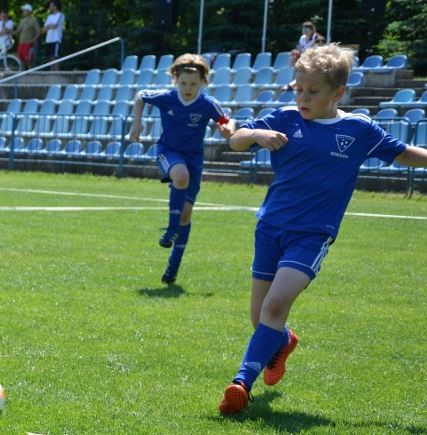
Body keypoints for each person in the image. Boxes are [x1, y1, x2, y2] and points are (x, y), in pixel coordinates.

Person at [219, 44, 427, 415]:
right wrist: (255, 136)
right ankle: (283, 341)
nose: (303, 97)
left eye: (312, 91)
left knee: (276, 304)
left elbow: (404, 154)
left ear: (338, 93)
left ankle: (240, 384)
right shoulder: (284, 118)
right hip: (270, 229)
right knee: (261, 319)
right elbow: (234, 140)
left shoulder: (359, 129)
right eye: (299, 89)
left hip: (312, 234)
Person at [129, 53, 235, 285]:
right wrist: (137, 122)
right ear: (175, 80)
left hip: (194, 160)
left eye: (193, 84)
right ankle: (170, 230)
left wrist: (228, 130)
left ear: (203, 83)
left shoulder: (206, 103)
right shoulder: (167, 97)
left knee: (186, 214)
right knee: (180, 175)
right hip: (168, 152)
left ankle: (172, 267)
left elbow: (227, 121)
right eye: (184, 83)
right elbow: (140, 96)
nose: (188, 88)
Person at [283, 21, 325, 90]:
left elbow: (318, 53)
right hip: (306, 58)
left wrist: (302, 54)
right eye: (303, 29)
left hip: (316, 60)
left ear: (312, 30)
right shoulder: (302, 38)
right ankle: (296, 79)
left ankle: (293, 84)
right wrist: (296, 52)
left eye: (307, 29)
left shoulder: (319, 39)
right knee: (293, 58)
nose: (305, 31)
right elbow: (299, 50)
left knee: (306, 66)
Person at [13, 4, 40, 70]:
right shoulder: (22, 21)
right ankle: (23, 77)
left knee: (28, 61)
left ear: (29, 11)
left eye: (25, 10)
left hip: (28, 44)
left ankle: (31, 76)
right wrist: (8, 32)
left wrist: (32, 40)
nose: (23, 11)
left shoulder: (33, 20)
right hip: (21, 43)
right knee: (21, 61)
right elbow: (17, 31)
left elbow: (39, 32)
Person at [42, 1, 65, 70]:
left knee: (54, 57)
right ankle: (52, 73)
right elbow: (44, 28)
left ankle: (57, 74)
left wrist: (48, 26)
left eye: (51, 6)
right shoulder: (49, 16)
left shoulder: (60, 15)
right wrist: (49, 26)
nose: (50, 7)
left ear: (55, 6)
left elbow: (54, 26)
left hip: (56, 39)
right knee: (49, 58)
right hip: (48, 39)